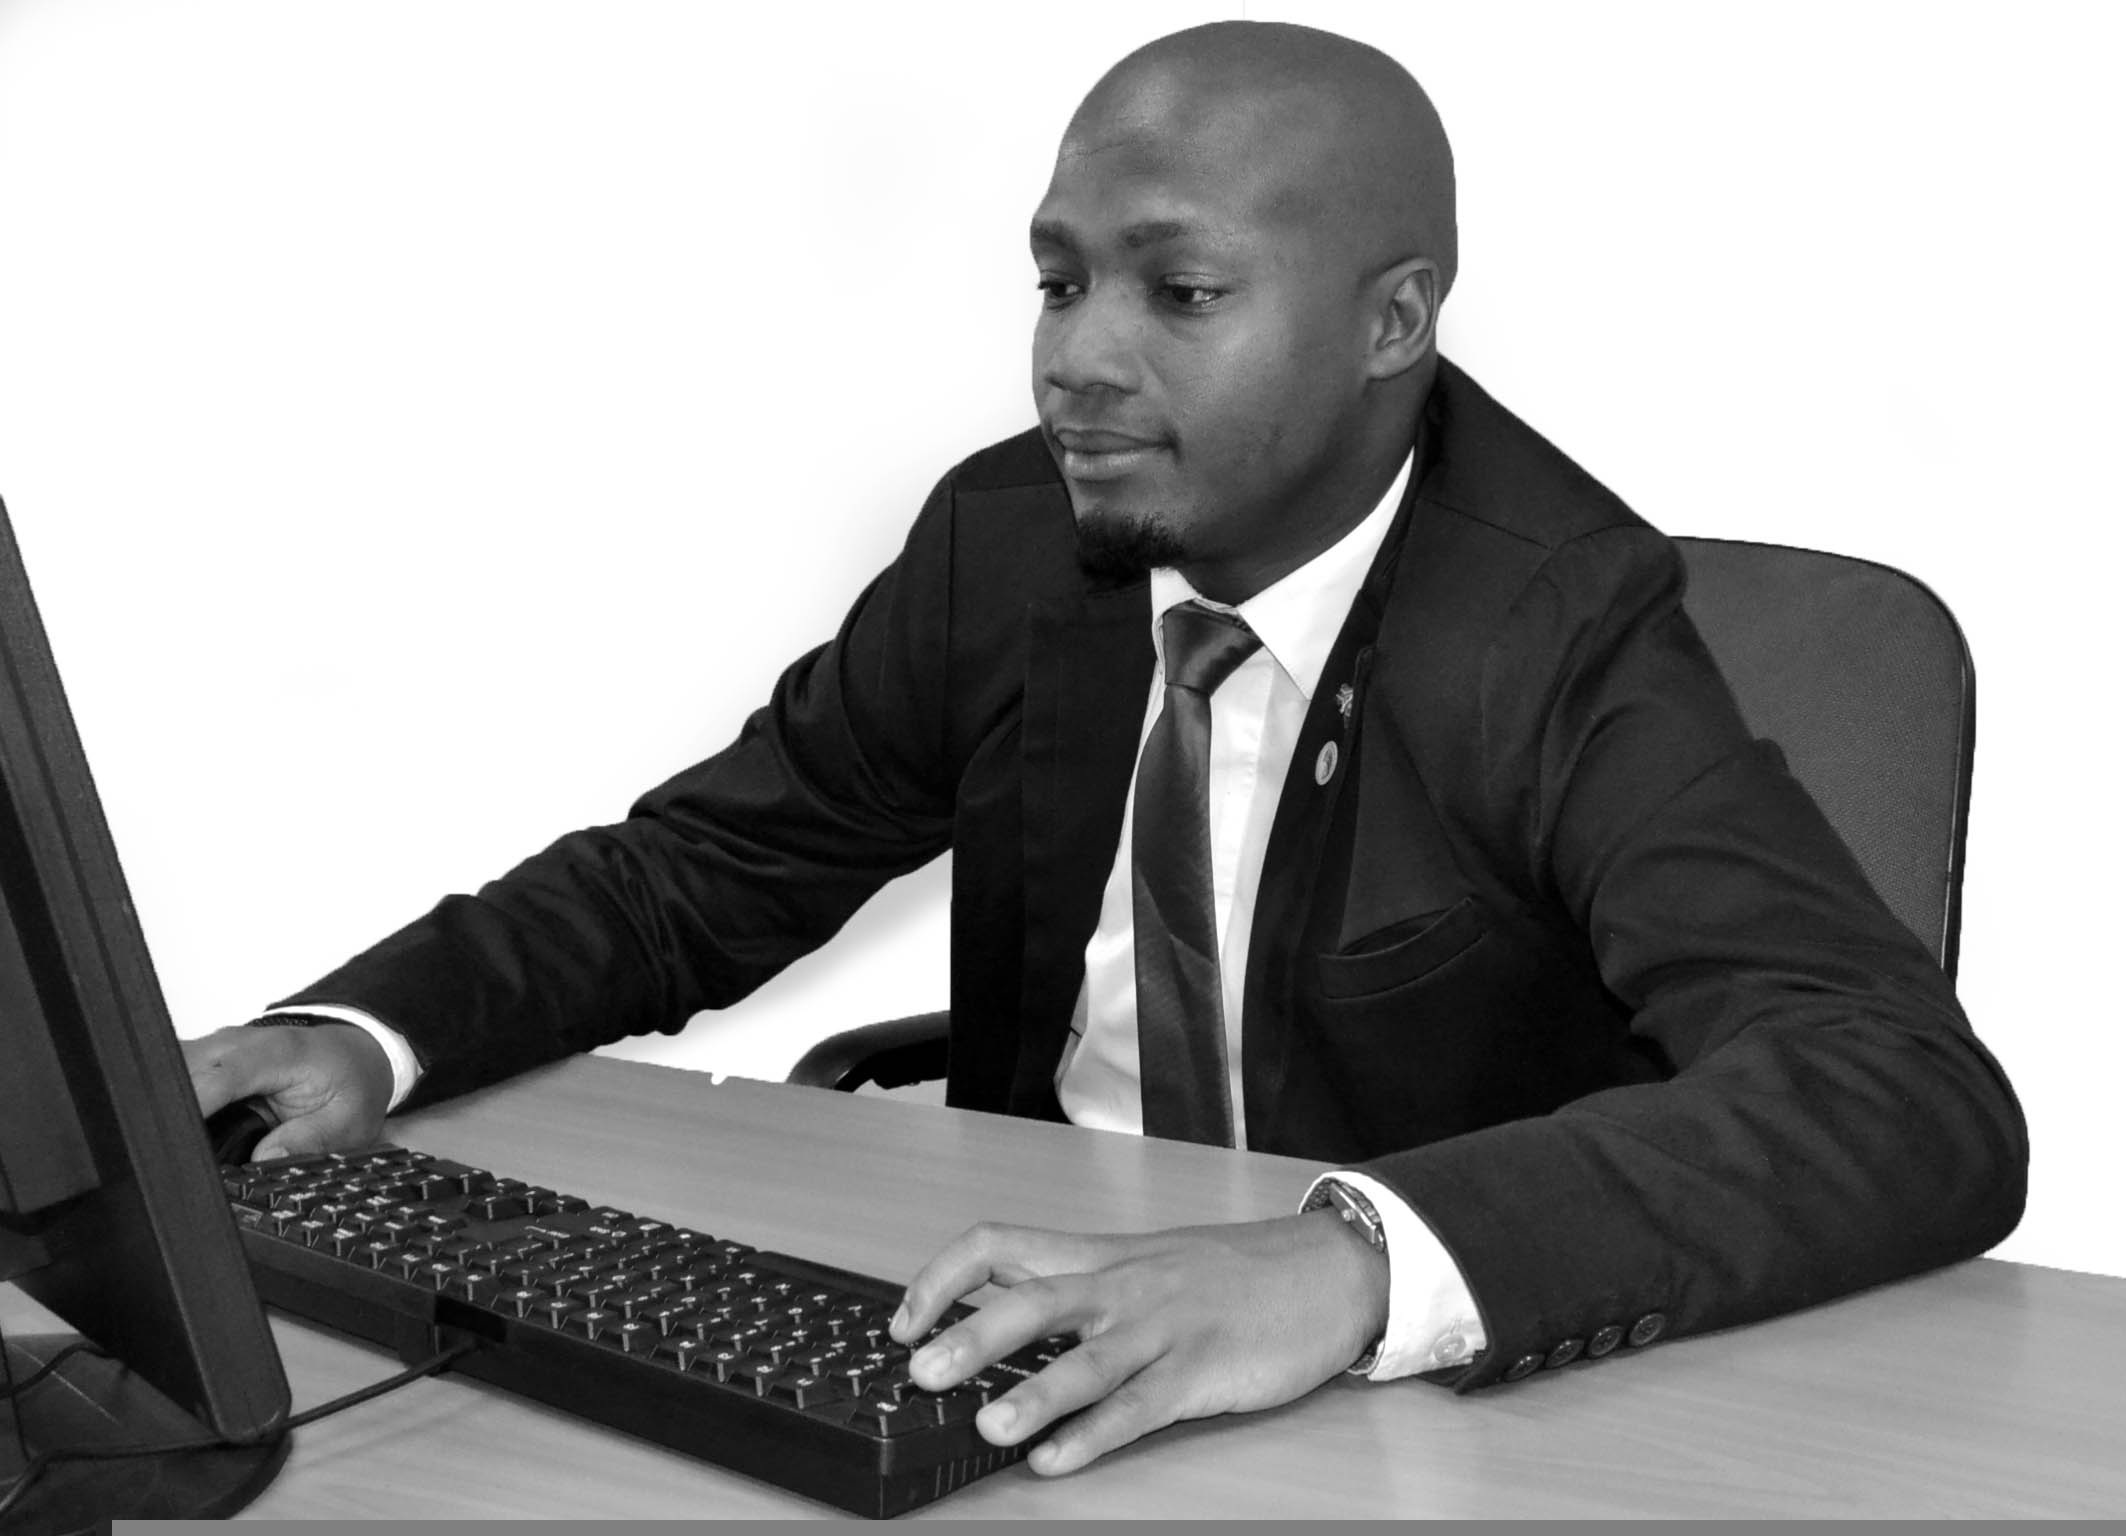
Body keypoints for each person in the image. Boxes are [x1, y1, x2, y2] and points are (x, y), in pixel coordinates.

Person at [183, 20, 2026, 1480]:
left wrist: (1347, 1260)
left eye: (1180, 292)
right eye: (1060, 281)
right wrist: (369, 1033)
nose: (1076, 359)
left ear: (1394, 321)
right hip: (1024, 1324)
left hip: (1410, 1418)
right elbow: (706, 871)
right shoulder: (1010, 542)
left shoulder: (1556, 622)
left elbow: (1901, 1090)